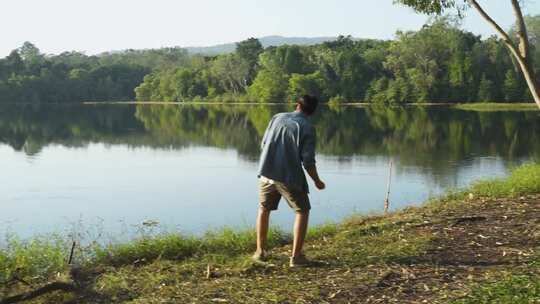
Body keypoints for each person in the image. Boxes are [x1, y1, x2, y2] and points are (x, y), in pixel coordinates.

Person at [253, 94, 326, 267]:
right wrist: (317, 180)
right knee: (302, 210)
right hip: (289, 177)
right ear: (313, 111)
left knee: (263, 209)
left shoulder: (277, 117)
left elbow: (264, 144)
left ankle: (260, 252)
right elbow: (307, 161)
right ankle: (296, 257)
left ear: (297, 105)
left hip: (266, 172)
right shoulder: (307, 127)